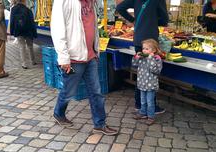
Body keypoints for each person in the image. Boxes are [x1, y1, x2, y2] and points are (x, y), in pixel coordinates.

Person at [51, 0, 118, 135]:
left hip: (90, 55)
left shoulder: (92, 2)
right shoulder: (63, 1)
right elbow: (58, 29)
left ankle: (100, 124)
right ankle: (58, 113)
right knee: (68, 91)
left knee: (96, 92)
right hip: (74, 57)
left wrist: (96, 50)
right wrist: (64, 58)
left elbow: (92, 27)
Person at [116, 0, 169, 114]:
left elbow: (120, 7)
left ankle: (139, 104)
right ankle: (151, 106)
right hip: (150, 41)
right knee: (151, 73)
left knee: (140, 73)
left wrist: (133, 20)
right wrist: (153, 20)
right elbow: (165, 20)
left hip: (139, 40)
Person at [132, 39, 163, 125]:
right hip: (142, 83)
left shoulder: (156, 59)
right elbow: (134, 65)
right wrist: (136, 57)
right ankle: (142, 113)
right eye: (143, 48)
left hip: (151, 85)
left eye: (146, 49)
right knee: (143, 100)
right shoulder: (142, 57)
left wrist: (150, 58)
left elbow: (156, 70)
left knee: (150, 102)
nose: (144, 50)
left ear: (153, 50)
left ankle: (151, 116)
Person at [10, 0, 37, 69]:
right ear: (24, 1)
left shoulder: (13, 9)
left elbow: (12, 21)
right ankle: (33, 61)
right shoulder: (28, 10)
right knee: (30, 46)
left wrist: (12, 31)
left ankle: (24, 64)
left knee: (22, 47)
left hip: (19, 31)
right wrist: (34, 33)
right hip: (28, 31)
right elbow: (32, 23)